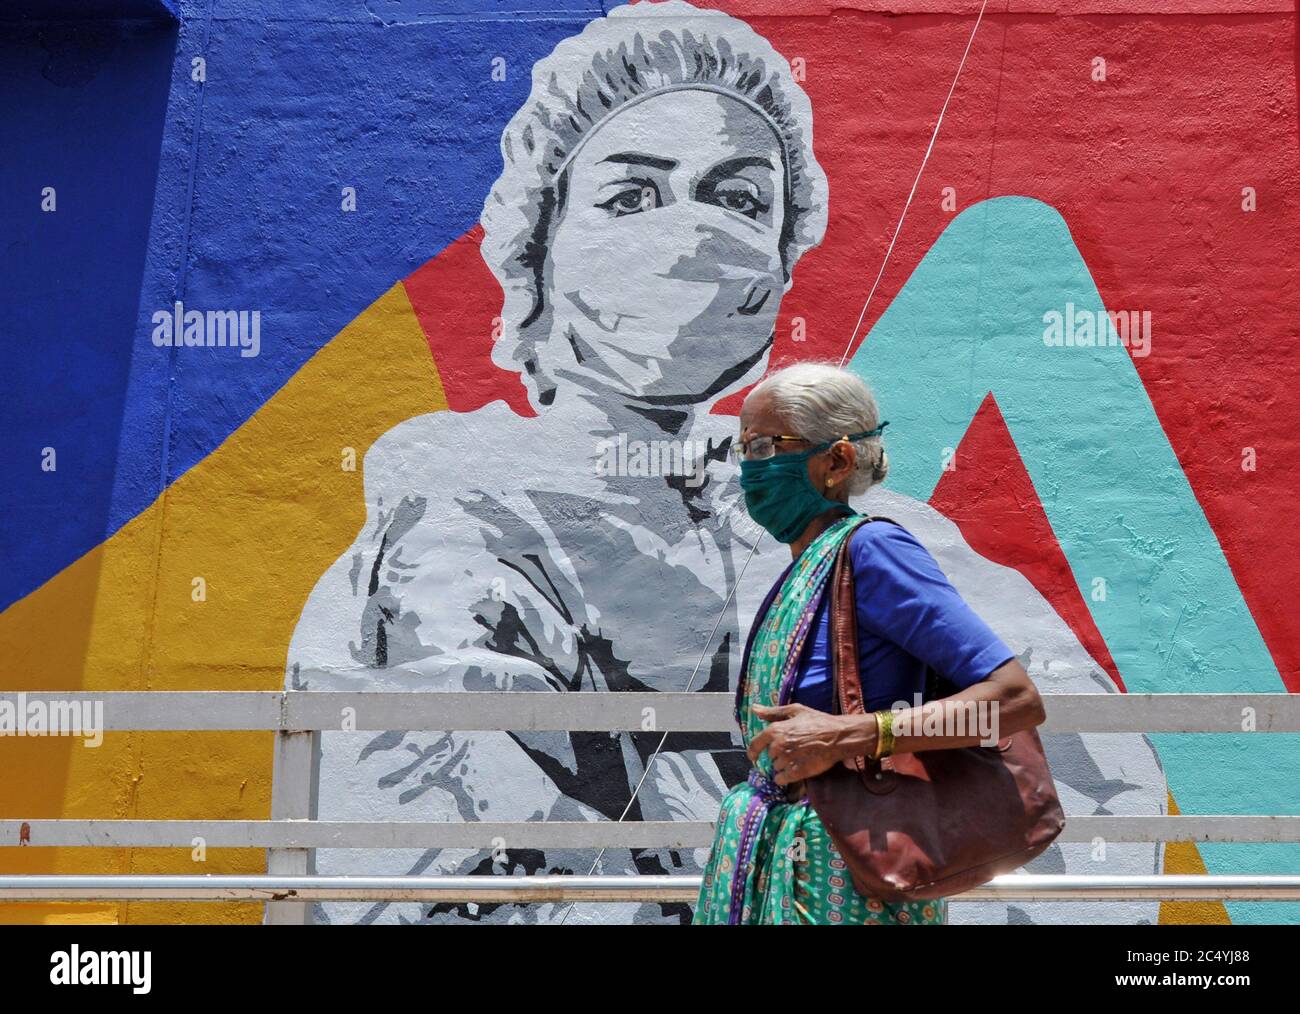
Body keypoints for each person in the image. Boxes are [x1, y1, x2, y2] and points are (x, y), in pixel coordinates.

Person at [287, 0, 1165, 925]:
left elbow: (1075, 754)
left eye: (739, 198)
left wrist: (866, 756)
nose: (689, 234)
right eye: (632, 195)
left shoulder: (880, 542)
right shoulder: (457, 502)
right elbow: (439, 814)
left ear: (780, 266)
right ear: (538, 247)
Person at [693, 362, 1047, 924]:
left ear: (836, 460)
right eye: (744, 450)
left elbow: (1014, 701)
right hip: (781, 860)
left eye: (767, 447)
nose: (750, 470)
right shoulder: (813, 564)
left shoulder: (874, 552)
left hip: (843, 879)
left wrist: (853, 732)